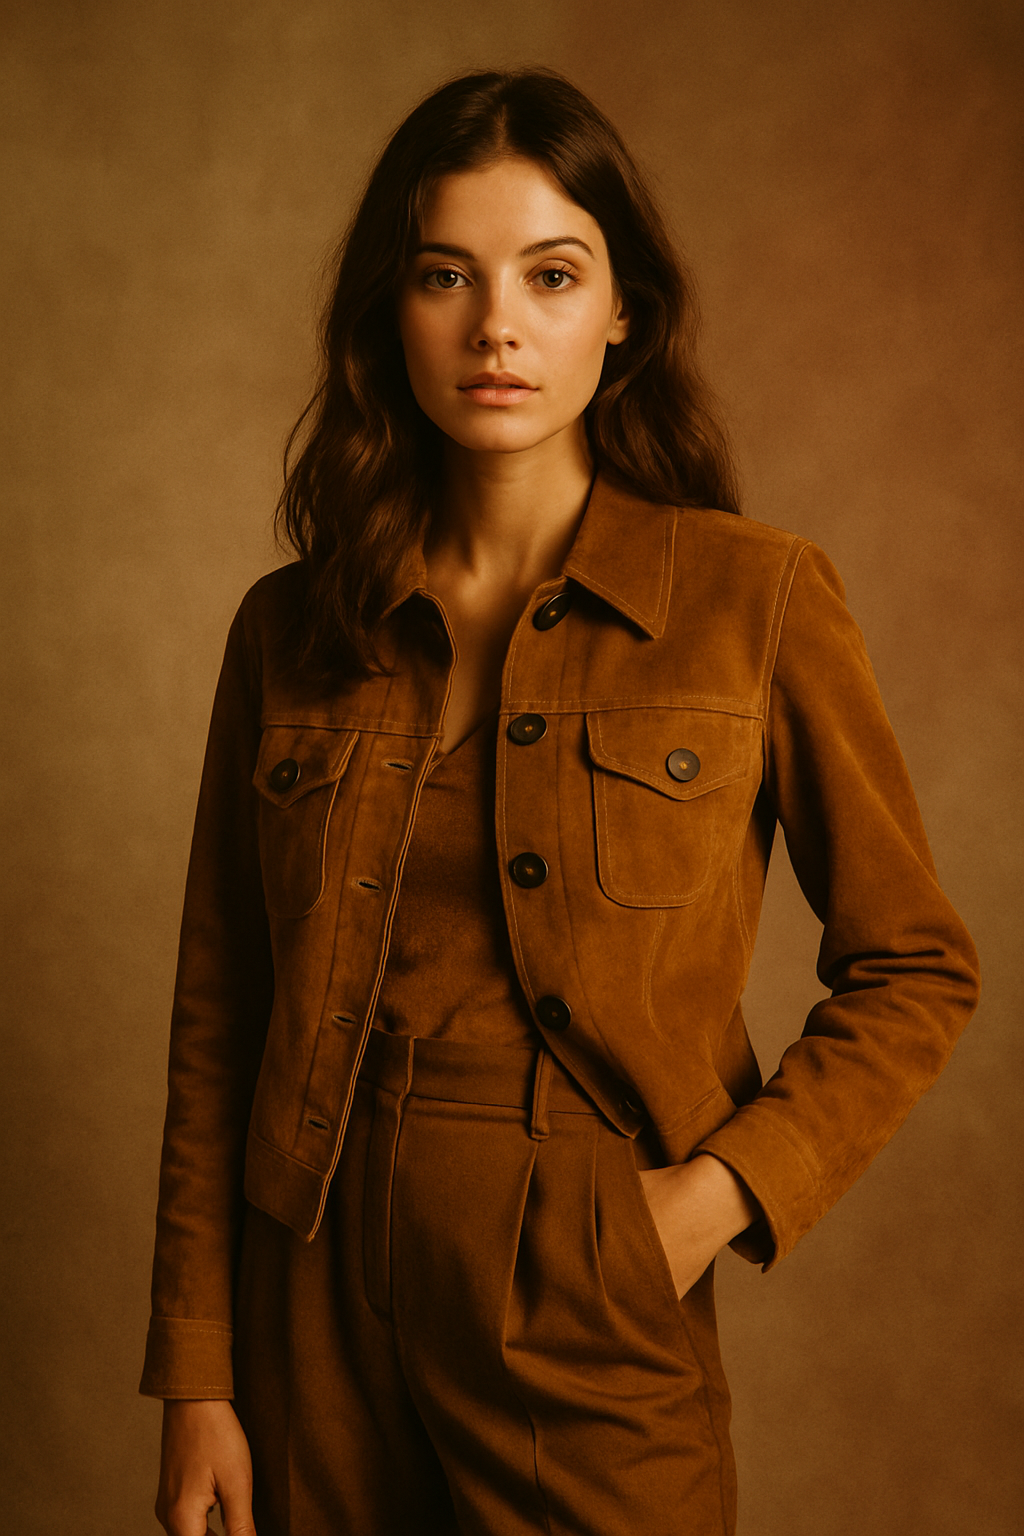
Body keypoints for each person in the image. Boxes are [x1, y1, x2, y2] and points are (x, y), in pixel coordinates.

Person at [141, 67, 980, 1536]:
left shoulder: (753, 599)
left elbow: (918, 967)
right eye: (444, 276)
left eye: (551, 273)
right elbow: (224, 1009)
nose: (496, 327)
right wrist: (200, 1374)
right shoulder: (292, 628)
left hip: (584, 1273)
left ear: (623, 315)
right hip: (311, 1284)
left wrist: (710, 1200)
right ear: (388, 316)